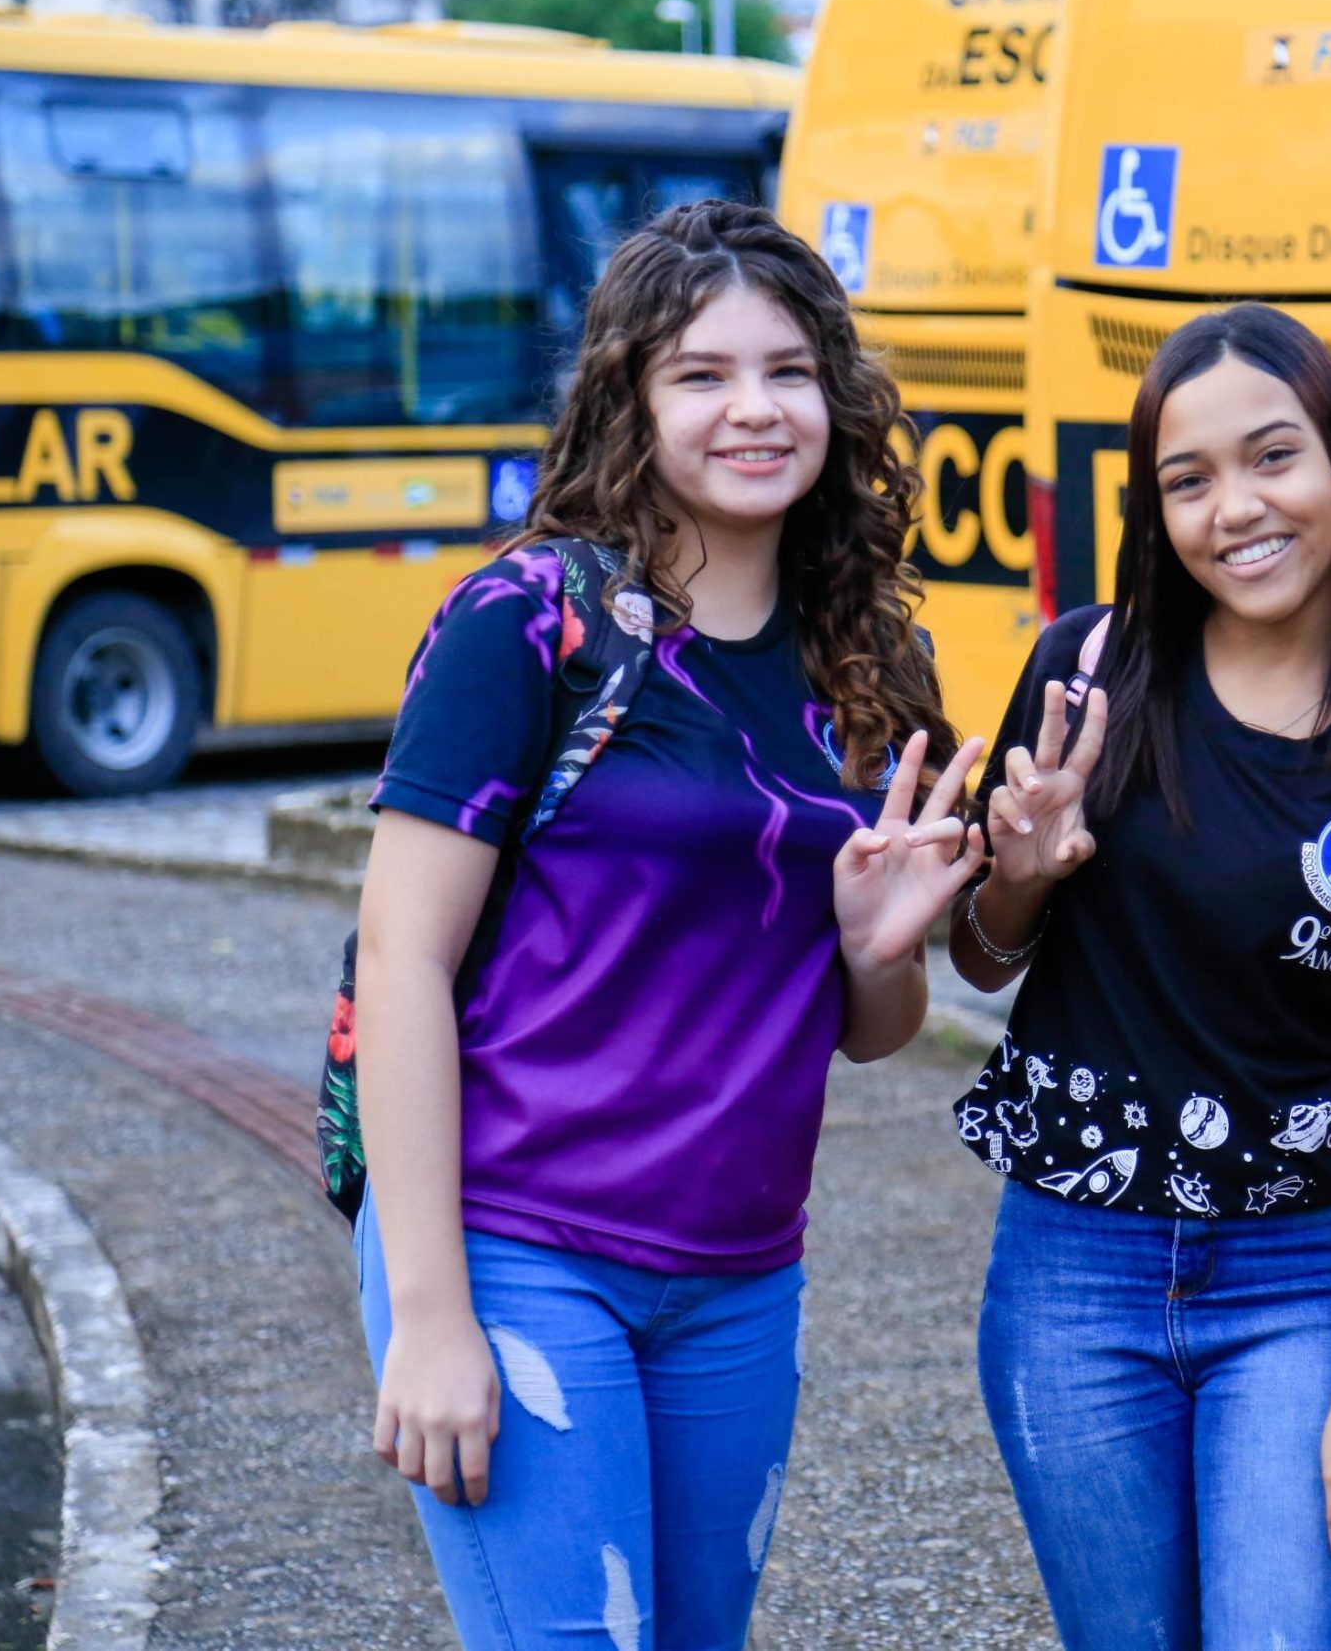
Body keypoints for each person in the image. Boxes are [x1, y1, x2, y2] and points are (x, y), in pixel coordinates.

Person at [353, 200, 985, 1650]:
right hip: (520, 1241)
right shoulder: (528, 621)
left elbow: (870, 1030)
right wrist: (431, 1312)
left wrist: (876, 948)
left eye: (788, 370)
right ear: (630, 400)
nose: (753, 410)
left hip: (741, 1270)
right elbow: (401, 961)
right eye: (701, 374)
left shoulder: (869, 661)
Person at [948, 304, 1331, 1649]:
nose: (1237, 509)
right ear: (1153, 510)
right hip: (1071, 1269)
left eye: (1273, 457)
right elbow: (982, 954)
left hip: (1303, 1277)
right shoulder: (1085, 677)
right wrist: (1022, 870)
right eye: (1188, 480)